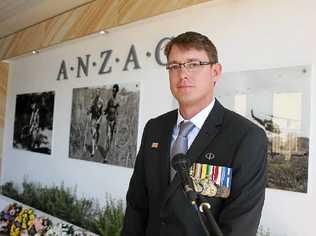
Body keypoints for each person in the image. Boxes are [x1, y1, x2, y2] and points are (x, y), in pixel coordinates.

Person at [122, 32, 267, 236]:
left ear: (215, 71)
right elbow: (137, 204)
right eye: (174, 66)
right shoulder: (155, 128)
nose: (183, 74)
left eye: (193, 64)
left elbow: (240, 225)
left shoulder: (246, 137)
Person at [86, 89, 104, 157]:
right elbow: (91, 109)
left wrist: (99, 120)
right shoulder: (93, 101)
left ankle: (96, 144)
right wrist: (88, 112)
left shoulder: (101, 101)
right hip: (93, 119)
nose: (97, 93)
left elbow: (102, 113)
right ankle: (93, 151)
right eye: (96, 92)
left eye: (98, 92)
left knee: (98, 133)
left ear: (100, 93)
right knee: (93, 134)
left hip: (98, 119)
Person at [103, 84, 120, 157]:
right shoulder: (110, 100)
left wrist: (116, 122)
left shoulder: (118, 100)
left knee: (111, 138)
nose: (113, 92)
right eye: (112, 90)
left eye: (115, 90)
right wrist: (104, 112)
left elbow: (118, 112)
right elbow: (107, 109)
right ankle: (106, 156)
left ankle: (109, 151)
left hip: (114, 121)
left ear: (117, 91)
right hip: (109, 120)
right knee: (108, 137)